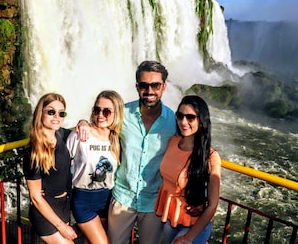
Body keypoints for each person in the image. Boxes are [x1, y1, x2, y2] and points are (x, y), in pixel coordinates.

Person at [77, 60, 177, 243]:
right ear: (137, 86)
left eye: (155, 85)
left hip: (153, 203)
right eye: (144, 85)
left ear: (164, 87)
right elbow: (100, 123)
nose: (149, 91)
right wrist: (83, 122)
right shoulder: (122, 114)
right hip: (122, 197)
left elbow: (189, 144)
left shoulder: (174, 122)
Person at [155, 95, 221, 244]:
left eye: (190, 117)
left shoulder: (210, 156)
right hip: (170, 218)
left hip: (193, 226)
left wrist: (188, 238)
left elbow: (212, 205)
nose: (183, 122)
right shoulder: (173, 141)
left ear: (201, 120)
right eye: (180, 116)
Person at [67, 90, 124, 244]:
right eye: (97, 110)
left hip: (107, 200)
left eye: (106, 111)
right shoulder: (80, 135)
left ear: (116, 113)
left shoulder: (117, 139)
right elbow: (61, 162)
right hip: (83, 199)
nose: (100, 115)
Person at [23, 93, 77, 244]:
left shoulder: (61, 134)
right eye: (51, 111)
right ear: (41, 113)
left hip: (63, 206)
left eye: (61, 113)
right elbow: (35, 196)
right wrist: (61, 226)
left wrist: (84, 122)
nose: (57, 117)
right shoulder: (33, 151)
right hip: (45, 211)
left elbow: (80, 129)